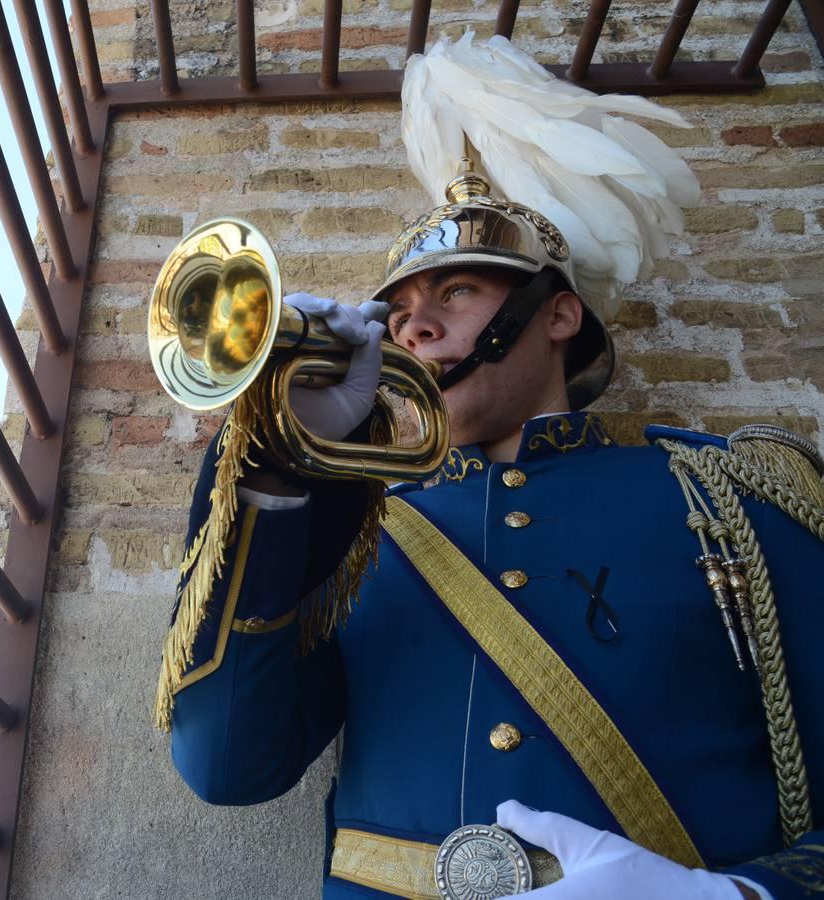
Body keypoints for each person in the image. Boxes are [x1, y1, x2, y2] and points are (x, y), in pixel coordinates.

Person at [151, 39, 824, 898]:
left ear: (559, 316)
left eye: (457, 293)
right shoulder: (357, 530)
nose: (413, 328)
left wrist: (739, 897)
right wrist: (278, 467)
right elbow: (225, 766)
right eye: (397, 313)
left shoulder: (726, 496)